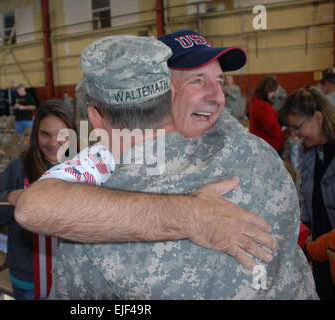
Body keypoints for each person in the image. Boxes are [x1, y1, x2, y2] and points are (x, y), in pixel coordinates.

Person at [16, 33, 317, 299]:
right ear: (168, 93)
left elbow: (32, 209)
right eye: (197, 80)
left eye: (219, 81)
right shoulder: (259, 152)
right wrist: (192, 215)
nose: (217, 98)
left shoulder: (88, 242)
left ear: (95, 118)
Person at [0, 99, 75, 300]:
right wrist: (9, 198)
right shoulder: (18, 168)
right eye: (45, 134)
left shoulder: (85, 168)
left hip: (73, 275)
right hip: (28, 276)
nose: (53, 143)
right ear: (35, 134)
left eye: (62, 135)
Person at [278, 86, 335, 300]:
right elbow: (308, 205)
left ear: (318, 117)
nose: (295, 135)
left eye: (297, 127)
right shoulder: (309, 154)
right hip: (320, 254)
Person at [249, 75, 286, 153]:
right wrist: (285, 129)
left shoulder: (257, 103)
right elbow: (274, 131)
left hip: (261, 145)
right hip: (268, 147)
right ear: (268, 90)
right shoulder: (263, 106)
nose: (274, 94)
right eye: (273, 91)